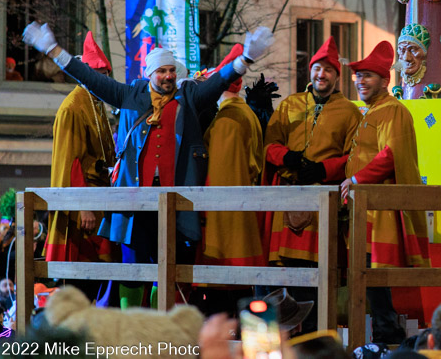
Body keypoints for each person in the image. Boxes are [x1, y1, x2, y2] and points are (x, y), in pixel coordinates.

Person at [21, 20, 275, 308]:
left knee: (173, 276)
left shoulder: (189, 96)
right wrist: (54, 50)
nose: (168, 76)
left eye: (170, 70)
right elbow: (89, 78)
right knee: (132, 273)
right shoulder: (130, 95)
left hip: (177, 207)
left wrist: (245, 59)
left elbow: (218, 81)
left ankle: (163, 332)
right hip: (136, 206)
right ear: (149, 73)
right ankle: (133, 332)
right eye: (161, 71)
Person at [263, 37, 360, 327]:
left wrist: (323, 170)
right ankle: (283, 339)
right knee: (283, 274)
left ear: (336, 76)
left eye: (328, 70)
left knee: (317, 272)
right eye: (317, 68)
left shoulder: (350, 112)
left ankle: (316, 335)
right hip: (287, 196)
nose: (322, 75)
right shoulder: (290, 104)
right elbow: (269, 146)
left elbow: (354, 157)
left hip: (322, 199)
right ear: (310, 72)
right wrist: (287, 158)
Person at [339, 40, 430, 345]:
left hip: (379, 209)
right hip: (365, 208)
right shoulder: (370, 111)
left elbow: (390, 154)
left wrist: (355, 180)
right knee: (368, 277)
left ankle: (387, 340)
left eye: (367, 76)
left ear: (385, 81)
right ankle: (379, 340)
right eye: (358, 76)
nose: (360, 81)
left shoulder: (392, 109)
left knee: (377, 280)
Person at [44, 32, 117, 301]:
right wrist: (81, 205)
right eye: (100, 73)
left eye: (106, 73)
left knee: (95, 281)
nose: (104, 79)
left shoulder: (96, 103)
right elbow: (69, 161)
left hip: (98, 203)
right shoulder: (73, 107)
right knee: (79, 286)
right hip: (83, 210)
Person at [194, 44, 265, 314]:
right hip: (243, 218)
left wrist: (206, 223)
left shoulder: (227, 121)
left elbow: (221, 180)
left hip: (224, 231)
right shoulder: (243, 113)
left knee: (222, 311)